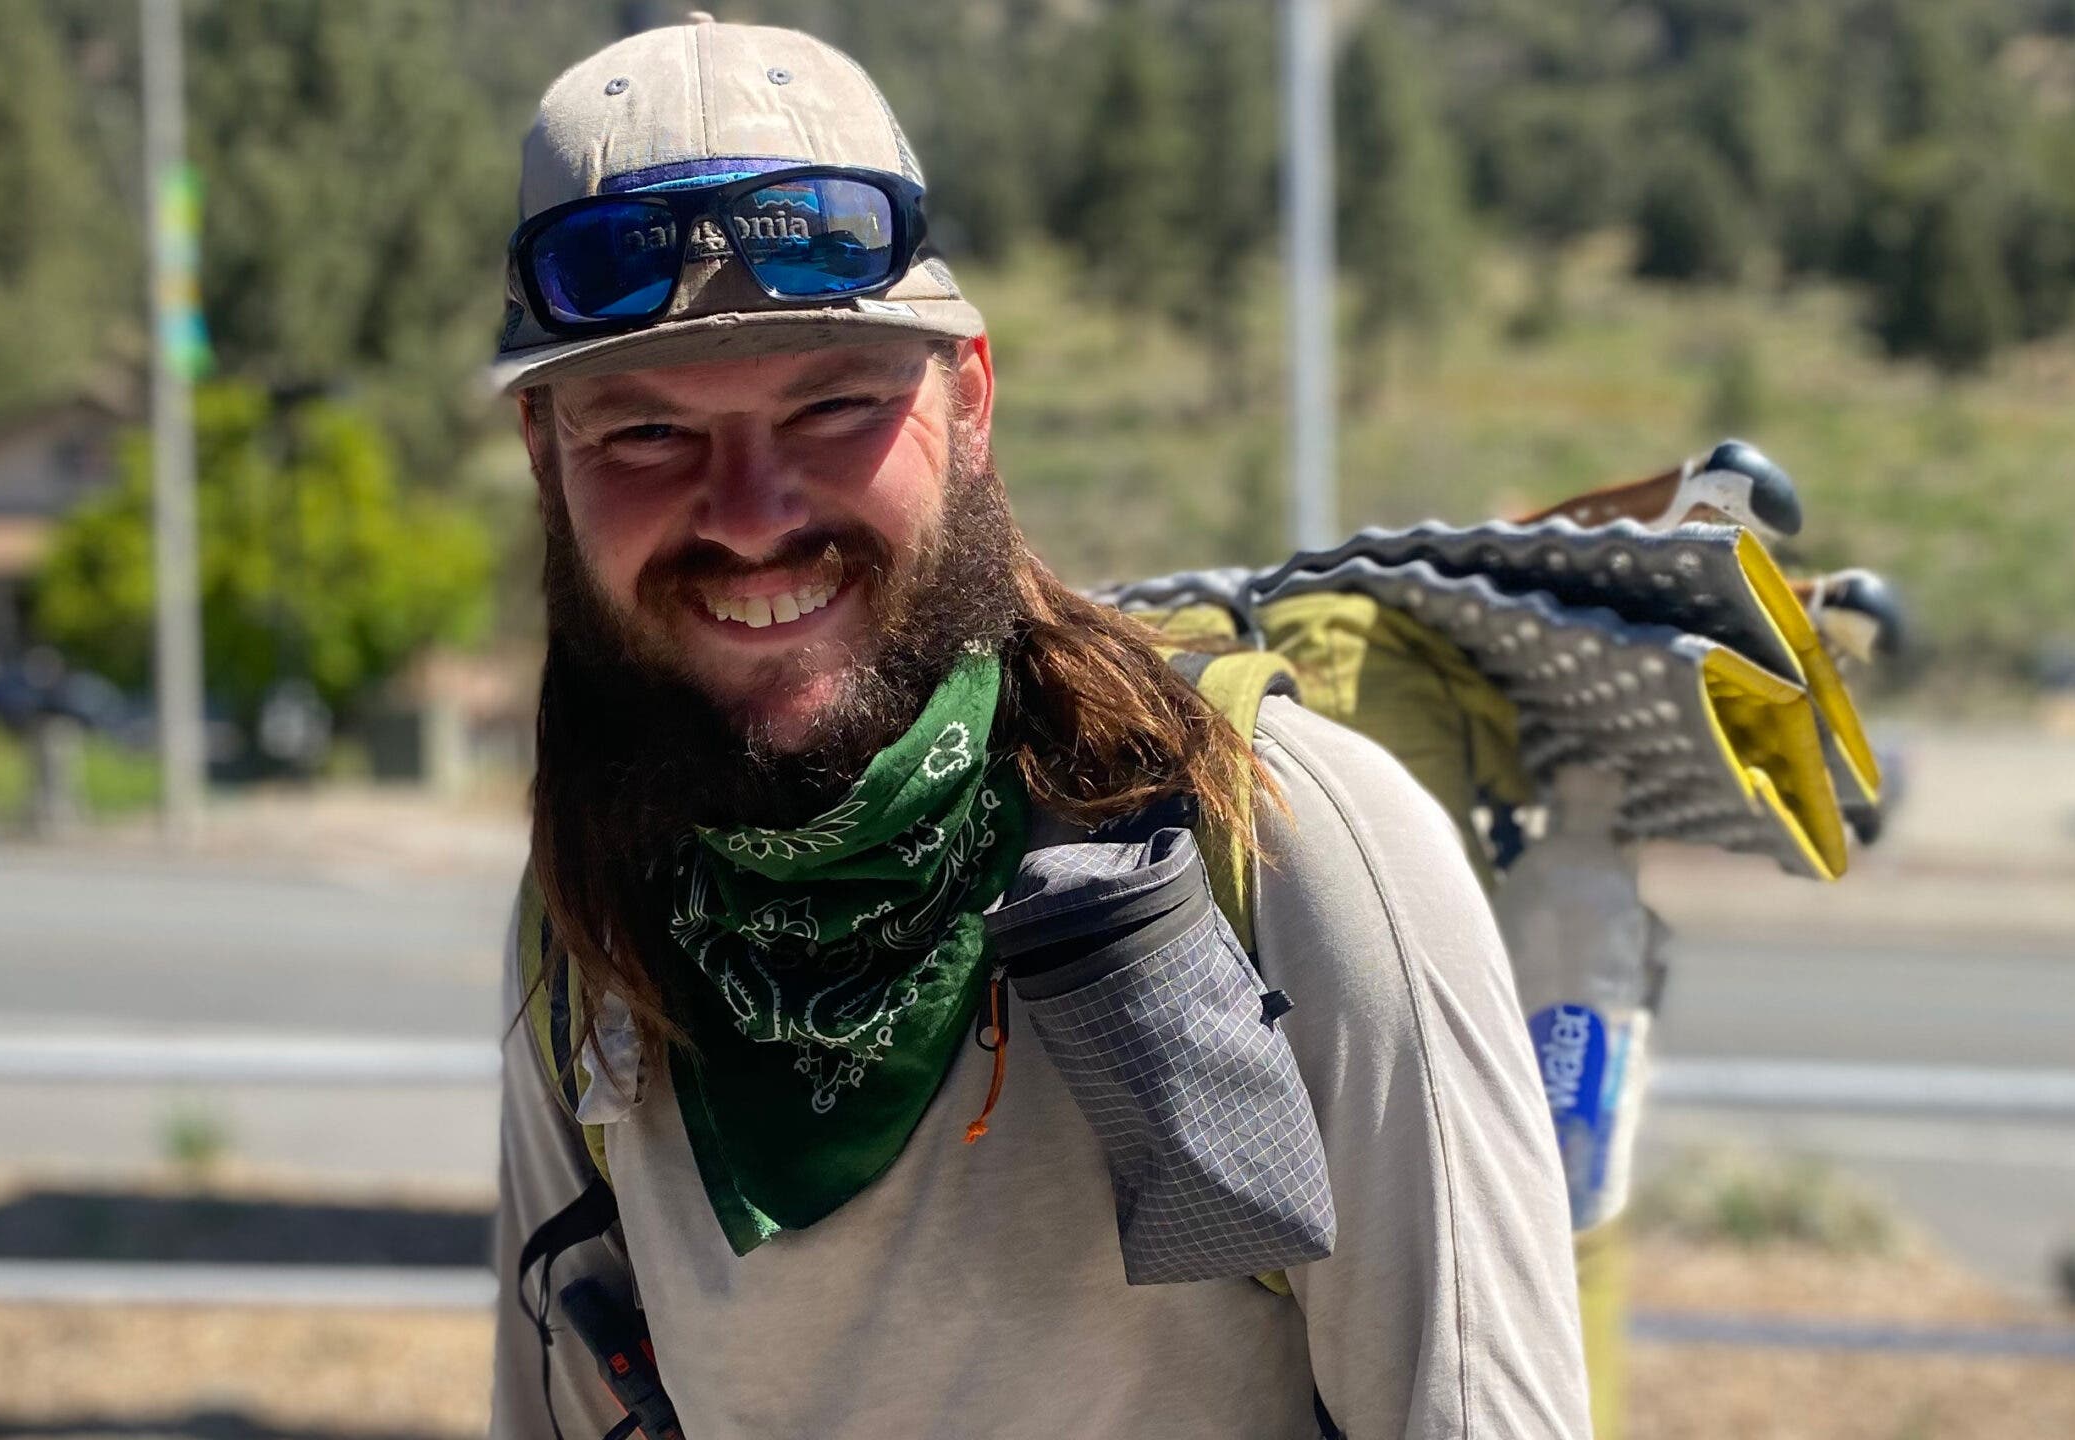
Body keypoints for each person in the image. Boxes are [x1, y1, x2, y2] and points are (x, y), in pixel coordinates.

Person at [487, 16, 1589, 1439]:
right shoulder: (591, 912)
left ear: (972, 400)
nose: (753, 518)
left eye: (833, 406)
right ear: (543, 456)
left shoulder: (1290, 848)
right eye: (645, 435)